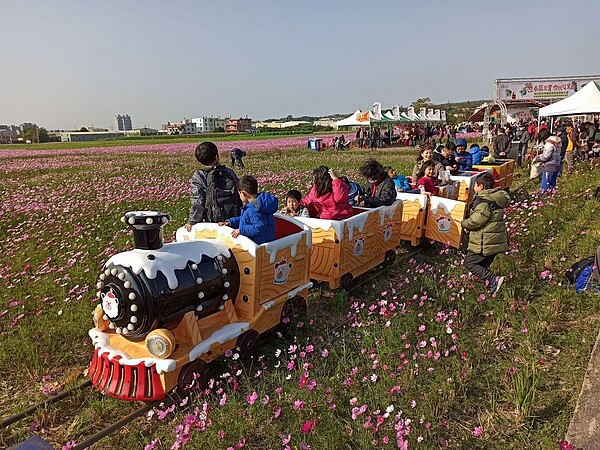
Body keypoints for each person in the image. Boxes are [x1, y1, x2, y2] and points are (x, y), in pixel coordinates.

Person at [461, 172, 511, 294]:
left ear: (481, 187)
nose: (474, 188)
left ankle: (494, 279)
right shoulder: (496, 197)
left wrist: (463, 223)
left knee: (469, 263)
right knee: (481, 266)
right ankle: (490, 287)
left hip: (484, 242)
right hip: (494, 241)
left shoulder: (484, 202)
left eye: (475, 185)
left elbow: (476, 221)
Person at [186, 141, 242, 231]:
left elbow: (198, 201)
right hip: (233, 220)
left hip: (212, 223)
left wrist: (193, 221)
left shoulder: (199, 175)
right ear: (217, 157)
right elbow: (240, 193)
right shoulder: (228, 172)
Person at [218, 175, 278, 245]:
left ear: (243, 193)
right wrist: (230, 222)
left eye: (239, 193)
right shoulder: (257, 205)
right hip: (261, 243)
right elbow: (245, 219)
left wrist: (241, 230)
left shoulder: (254, 210)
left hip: (259, 245)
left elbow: (258, 228)